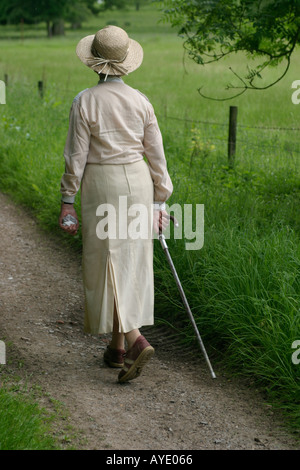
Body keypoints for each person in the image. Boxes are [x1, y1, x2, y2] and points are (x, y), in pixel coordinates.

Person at [59, 25, 173, 383]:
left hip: (101, 184)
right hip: (138, 183)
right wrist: (160, 202)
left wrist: (67, 200)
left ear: (95, 64)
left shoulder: (85, 101)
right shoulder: (141, 101)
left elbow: (76, 156)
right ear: (125, 63)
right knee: (131, 262)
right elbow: (157, 156)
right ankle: (117, 348)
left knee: (107, 262)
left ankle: (136, 340)